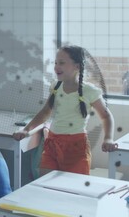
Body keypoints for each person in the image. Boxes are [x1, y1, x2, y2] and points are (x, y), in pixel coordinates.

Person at [13, 45, 118, 175]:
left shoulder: (90, 91)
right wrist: (26, 129)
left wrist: (108, 138)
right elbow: (45, 112)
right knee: (46, 185)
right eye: (56, 63)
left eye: (62, 63)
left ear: (77, 66)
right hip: (52, 144)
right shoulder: (55, 87)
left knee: (73, 189)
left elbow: (106, 116)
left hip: (76, 148)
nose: (57, 66)